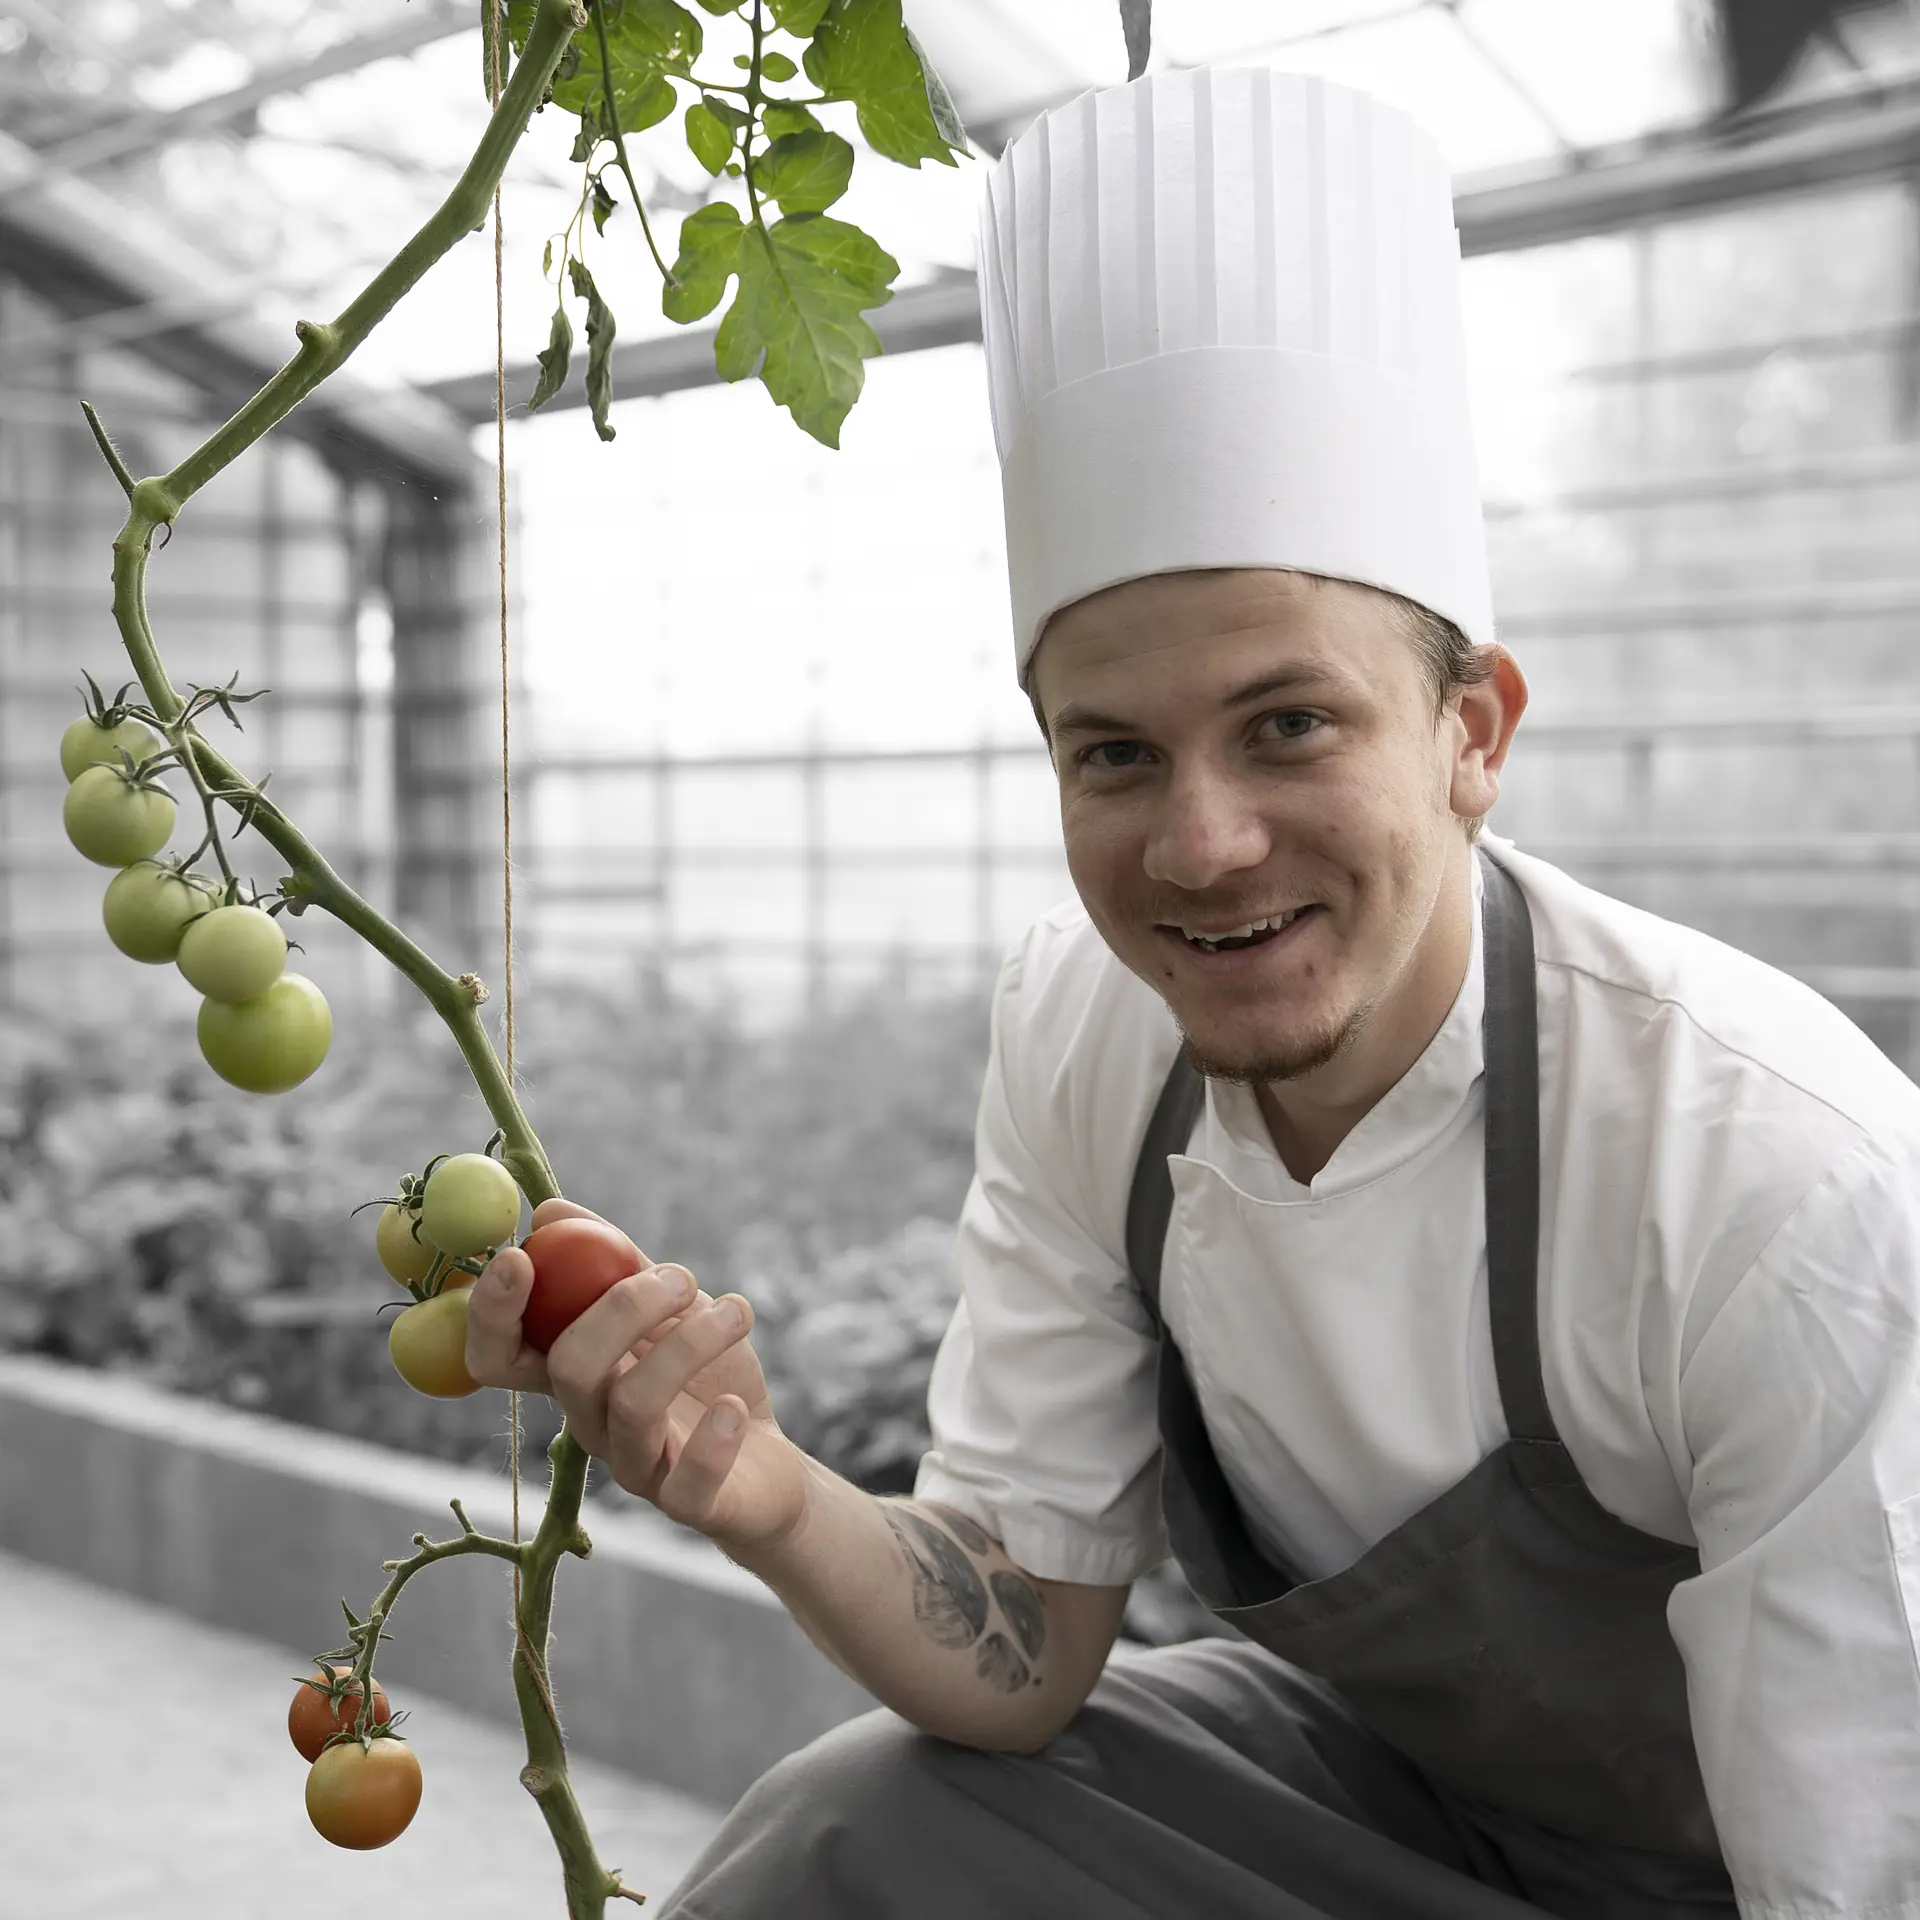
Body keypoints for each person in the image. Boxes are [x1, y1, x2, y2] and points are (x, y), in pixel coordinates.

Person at [466, 67, 1920, 1920]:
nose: (1203, 845)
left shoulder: (1775, 1185)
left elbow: (1859, 1867)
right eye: (1116, 758)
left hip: (1770, 1870)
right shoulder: (1092, 1028)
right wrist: (751, 1486)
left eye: (1290, 724)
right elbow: (1022, 1649)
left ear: (1473, 734)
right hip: (1399, 1810)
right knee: (861, 1834)